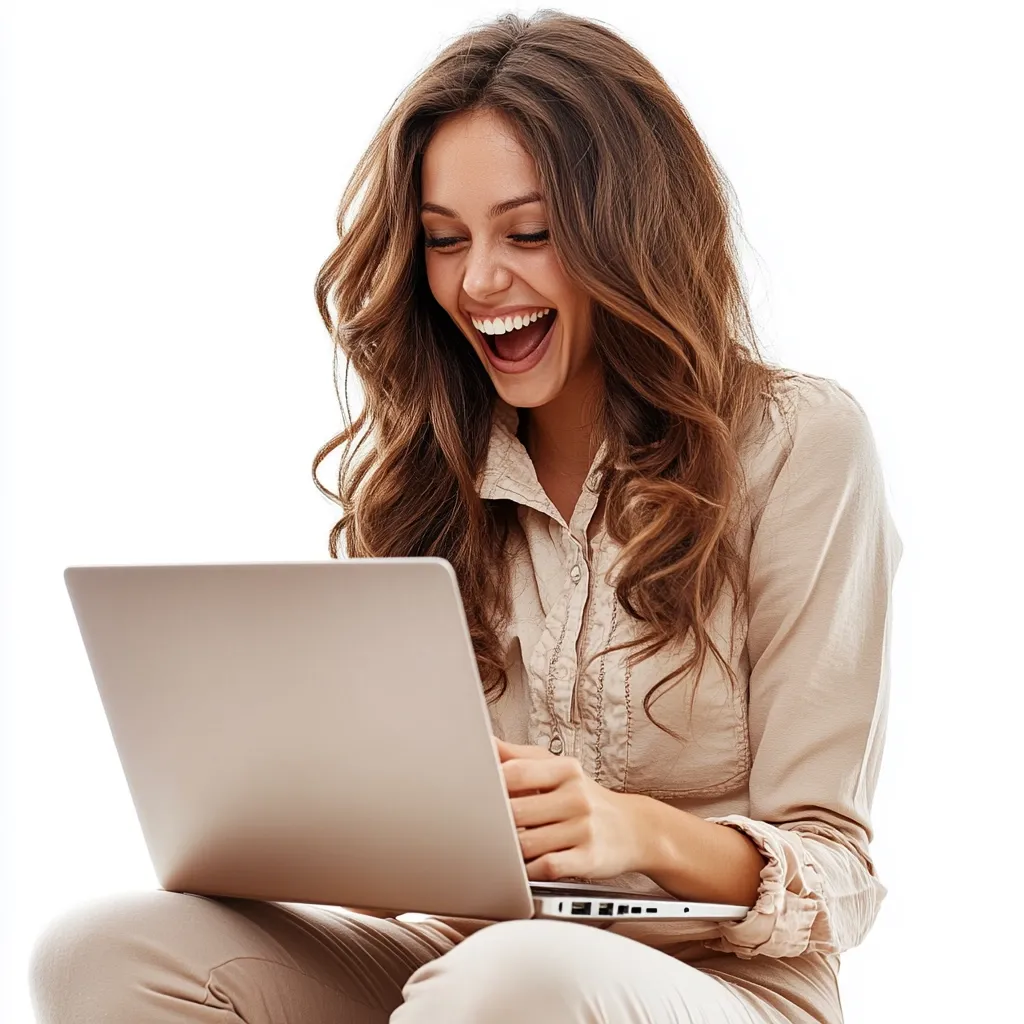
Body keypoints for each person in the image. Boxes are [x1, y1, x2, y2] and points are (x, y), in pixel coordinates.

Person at [28, 9, 903, 1024]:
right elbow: (400, 866)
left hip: (720, 987)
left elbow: (836, 874)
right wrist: (299, 821)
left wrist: (633, 831)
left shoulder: (797, 443)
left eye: (527, 234)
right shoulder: (424, 474)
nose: (480, 282)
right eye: (445, 241)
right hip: (463, 966)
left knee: (508, 983)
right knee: (98, 954)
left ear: (630, 233)